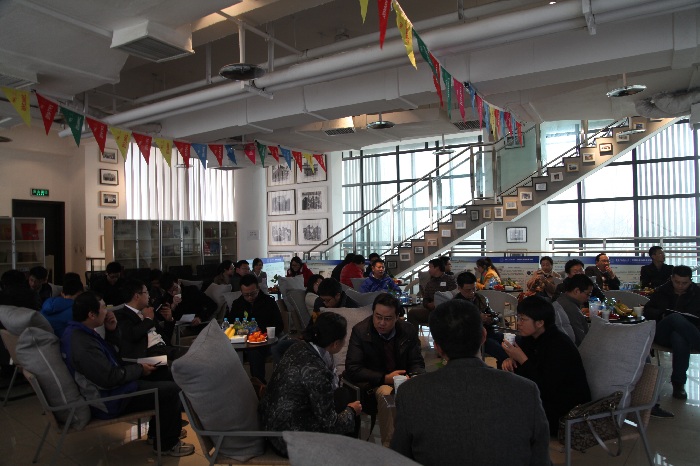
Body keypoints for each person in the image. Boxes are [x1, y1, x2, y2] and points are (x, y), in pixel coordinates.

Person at [391, 299, 551, 465]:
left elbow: (399, 459)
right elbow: (540, 459)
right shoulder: (525, 390)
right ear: (483, 336)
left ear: (437, 347)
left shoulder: (411, 393)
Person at [61, 292, 193, 457]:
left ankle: (159, 433)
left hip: (120, 380)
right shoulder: (82, 344)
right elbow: (109, 377)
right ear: (91, 314)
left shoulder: (82, 333)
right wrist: (139, 369)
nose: (108, 311)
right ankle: (167, 444)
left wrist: (112, 331)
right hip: (111, 398)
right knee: (171, 390)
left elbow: (111, 357)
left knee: (163, 370)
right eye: (103, 307)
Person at [260, 312, 362, 457]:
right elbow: (331, 424)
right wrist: (351, 411)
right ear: (335, 343)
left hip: (273, 426)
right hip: (288, 441)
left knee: (342, 396)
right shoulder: (316, 372)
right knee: (350, 411)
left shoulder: (297, 347)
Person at [344, 293, 425, 447]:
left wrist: (415, 376)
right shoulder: (361, 331)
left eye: (387, 319)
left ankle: (419, 445)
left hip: (404, 380)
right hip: (374, 383)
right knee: (387, 394)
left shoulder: (407, 330)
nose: (381, 323)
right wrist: (385, 378)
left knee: (424, 390)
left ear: (397, 317)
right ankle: (391, 447)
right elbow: (353, 368)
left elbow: (416, 362)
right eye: (378, 316)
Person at [501, 296, 591, 434]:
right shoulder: (530, 339)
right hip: (541, 399)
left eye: (523, 319)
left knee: (506, 411)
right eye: (519, 318)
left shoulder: (559, 345)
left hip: (565, 411)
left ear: (540, 323)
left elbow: (546, 386)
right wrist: (510, 360)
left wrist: (522, 359)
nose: (519, 323)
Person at [644, 265, 700, 400]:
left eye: (684, 283)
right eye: (677, 282)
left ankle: (678, 384)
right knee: (674, 317)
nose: (680, 286)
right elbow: (648, 310)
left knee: (678, 338)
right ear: (671, 279)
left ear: (690, 281)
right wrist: (662, 314)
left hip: (687, 334)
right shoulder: (662, 291)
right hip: (662, 332)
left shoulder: (697, 294)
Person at [225, 274, 283, 384]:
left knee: (254, 352)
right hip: (241, 341)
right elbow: (230, 323)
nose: (250, 297)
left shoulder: (269, 302)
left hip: (263, 342)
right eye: (246, 295)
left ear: (258, 289)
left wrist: (262, 331)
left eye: (253, 294)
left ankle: (259, 384)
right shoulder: (238, 304)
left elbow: (279, 325)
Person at [112, 279, 176, 361]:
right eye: (146, 292)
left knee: (189, 357)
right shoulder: (120, 315)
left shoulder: (147, 311)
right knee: (182, 362)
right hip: (147, 355)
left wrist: (169, 320)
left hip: (164, 349)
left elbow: (165, 338)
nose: (149, 296)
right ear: (137, 296)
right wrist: (148, 319)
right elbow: (132, 335)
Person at [453, 271, 508, 364]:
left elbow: (496, 317)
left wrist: (490, 319)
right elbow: (458, 327)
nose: (472, 292)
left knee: (516, 341)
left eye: (474, 288)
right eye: (468, 290)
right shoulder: (455, 304)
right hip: (473, 338)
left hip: (490, 332)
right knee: (501, 351)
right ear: (459, 288)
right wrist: (477, 319)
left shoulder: (481, 299)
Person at [407, 258, 457, 328]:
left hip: (446, 311)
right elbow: (425, 299)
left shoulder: (450, 280)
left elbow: (454, 296)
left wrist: (438, 303)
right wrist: (428, 304)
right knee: (412, 313)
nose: (429, 270)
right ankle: (412, 334)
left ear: (437, 268)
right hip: (432, 311)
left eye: (430, 267)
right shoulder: (430, 283)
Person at [552, 274, 591, 346]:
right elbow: (581, 340)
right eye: (588, 294)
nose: (588, 298)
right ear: (576, 291)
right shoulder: (570, 308)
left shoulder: (563, 300)